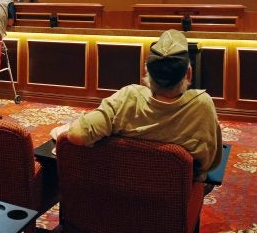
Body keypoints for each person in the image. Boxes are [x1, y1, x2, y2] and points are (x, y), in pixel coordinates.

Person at [52, 29, 222, 183]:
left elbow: (76, 135)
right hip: (174, 200)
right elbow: (208, 163)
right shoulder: (202, 105)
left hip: (122, 190)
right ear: (189, 74)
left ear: (147, 72)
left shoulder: (128, 97)